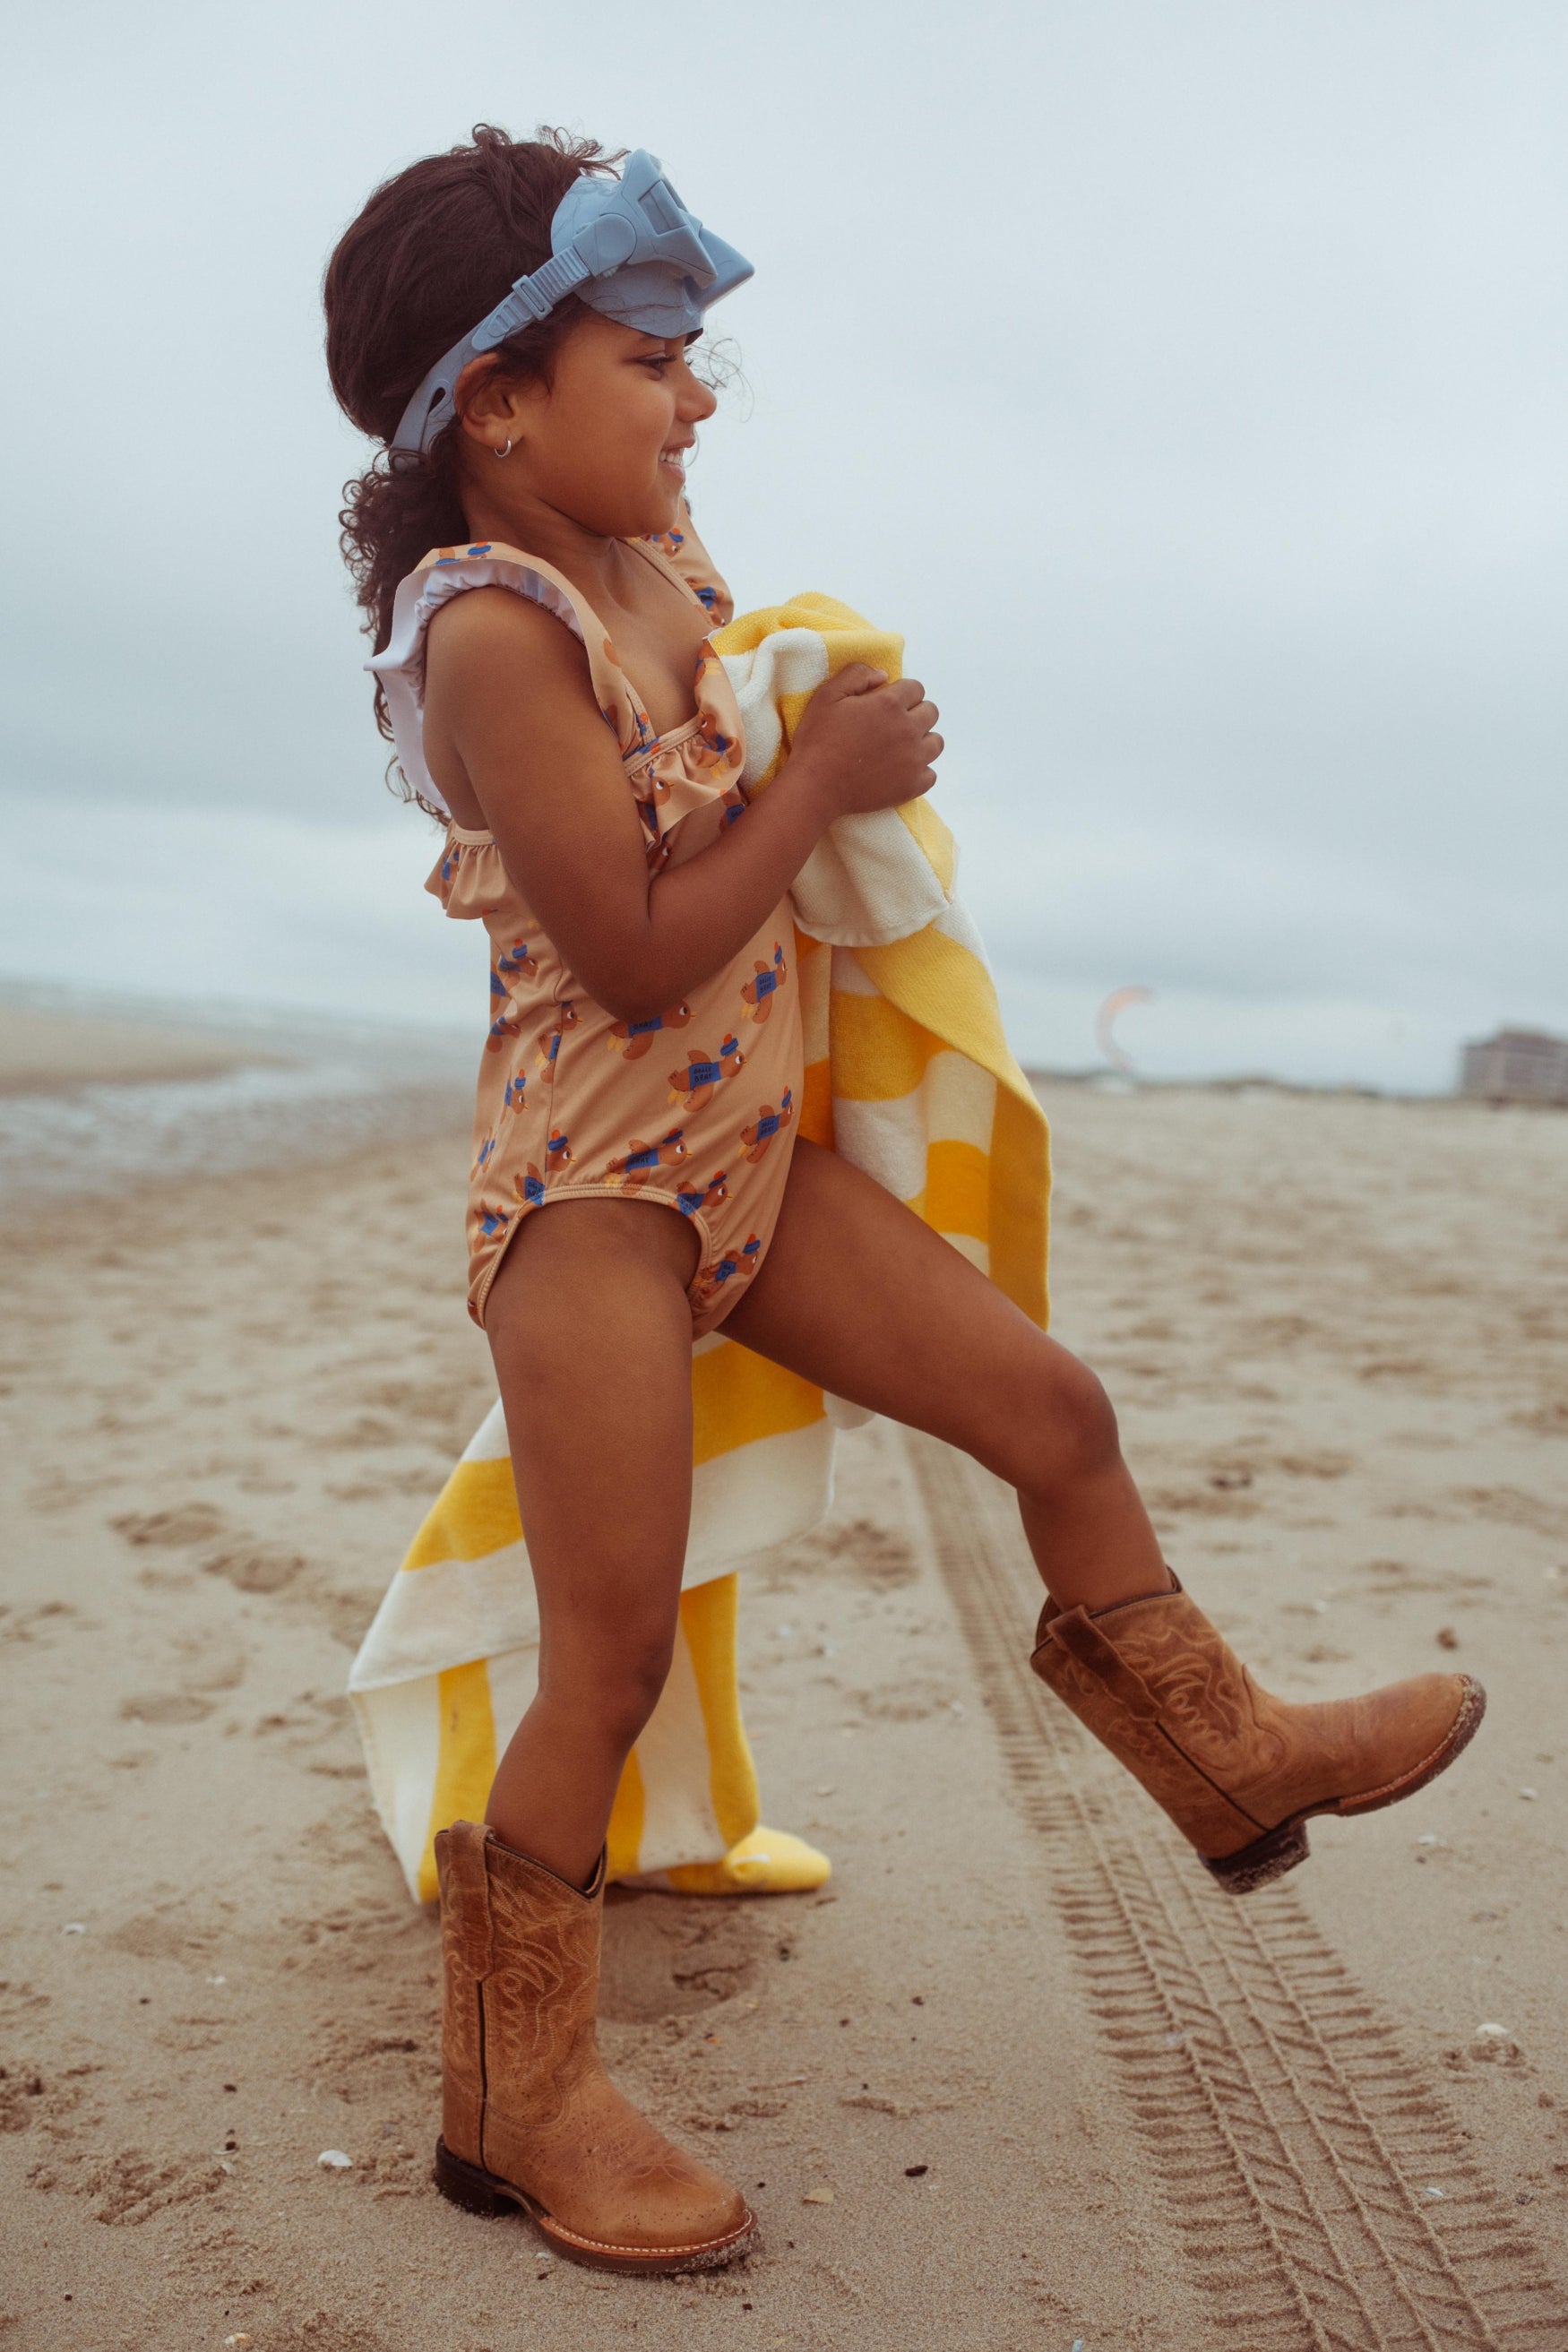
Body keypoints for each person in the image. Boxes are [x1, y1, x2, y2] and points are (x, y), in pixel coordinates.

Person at [323, 125, 1486, 2279]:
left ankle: (1223, 1759)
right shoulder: (484, 632)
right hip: (592, 1204)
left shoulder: (662, 571)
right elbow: (641, 942)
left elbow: (736, 778)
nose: (694, 402)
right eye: (654, 357)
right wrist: (818, 784)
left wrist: (813, 708)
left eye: (699, 369)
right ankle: (515, 2091)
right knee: (603, 1646)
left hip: (747, 1170)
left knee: (1051, 1408)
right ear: (496, 401)